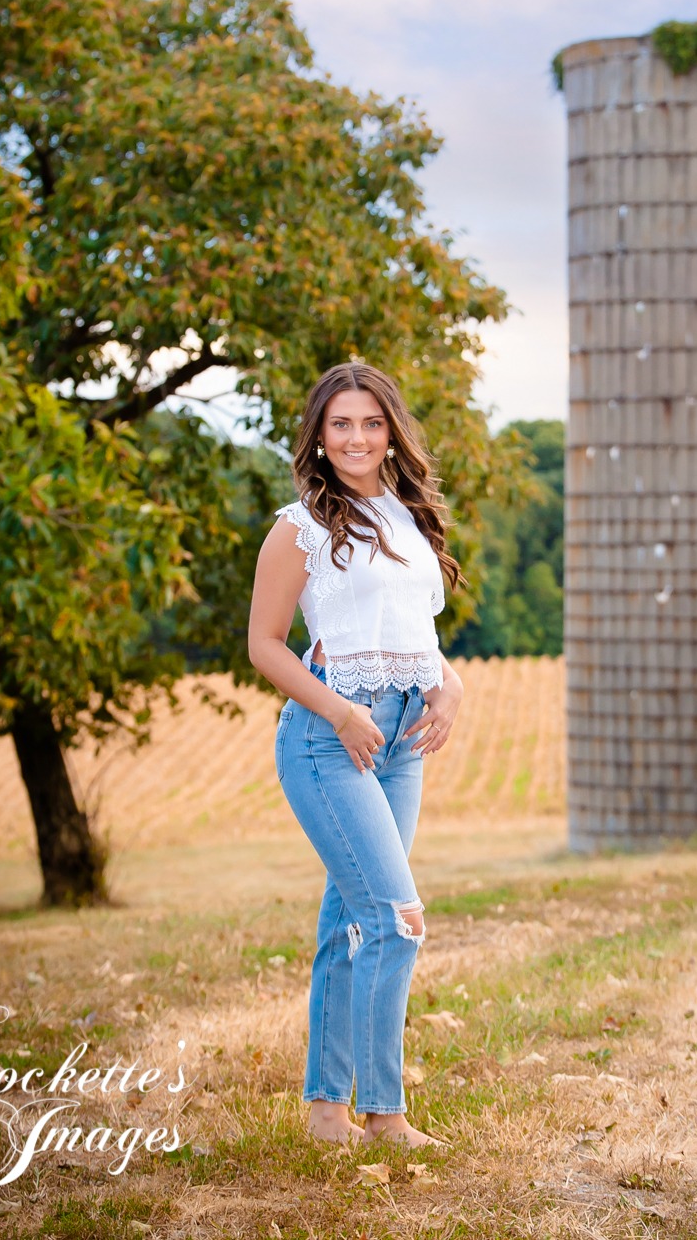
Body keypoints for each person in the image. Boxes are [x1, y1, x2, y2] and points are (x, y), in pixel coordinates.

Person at [248, 362, 465, 1149]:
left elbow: (417, 634)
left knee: (350, 920)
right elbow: (264, 646)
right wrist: (339, 711)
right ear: (317, 434)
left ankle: (326, 1113)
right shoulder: (300, 526)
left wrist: (451, 688)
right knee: (396, 920)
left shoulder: (406, 517)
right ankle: (385, 1114)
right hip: (329, 736)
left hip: (401, 735)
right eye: (340, 424)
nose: (356, 438)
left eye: (371, 423)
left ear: (391, 431)